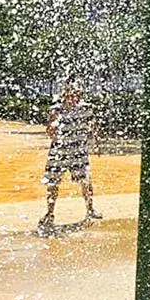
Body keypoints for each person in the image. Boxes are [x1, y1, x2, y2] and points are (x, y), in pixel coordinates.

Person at [40, 83, 100, 227]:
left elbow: (93, 125)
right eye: (71, 95)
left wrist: (96, 142)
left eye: (77, 95)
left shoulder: (86, 108)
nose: (74, 98)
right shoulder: (56, 109)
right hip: (59, 152)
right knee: (53, 183)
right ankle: (50, 213)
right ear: (64, 95)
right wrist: (51, 128)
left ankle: (90, 209)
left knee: (85, 181)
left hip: (78, 151)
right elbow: (49, 129)